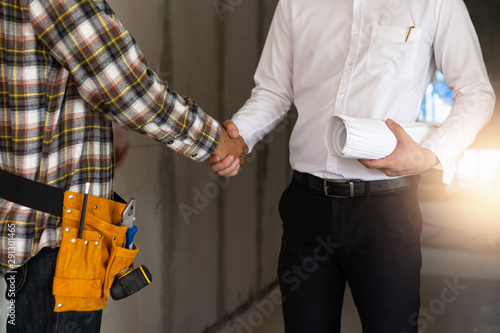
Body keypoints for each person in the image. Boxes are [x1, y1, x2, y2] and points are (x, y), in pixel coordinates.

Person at [209, 0, 495, 331]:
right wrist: (238, 135)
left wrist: (431, 154)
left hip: (386, 213)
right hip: (307, 209)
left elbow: (476, 93)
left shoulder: (435, 3)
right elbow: (274, 91)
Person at [0, 0, 247, 332]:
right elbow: (129, 89)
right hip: (57, 241)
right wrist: (216, 141)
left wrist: (95, 135)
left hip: (25, 225)